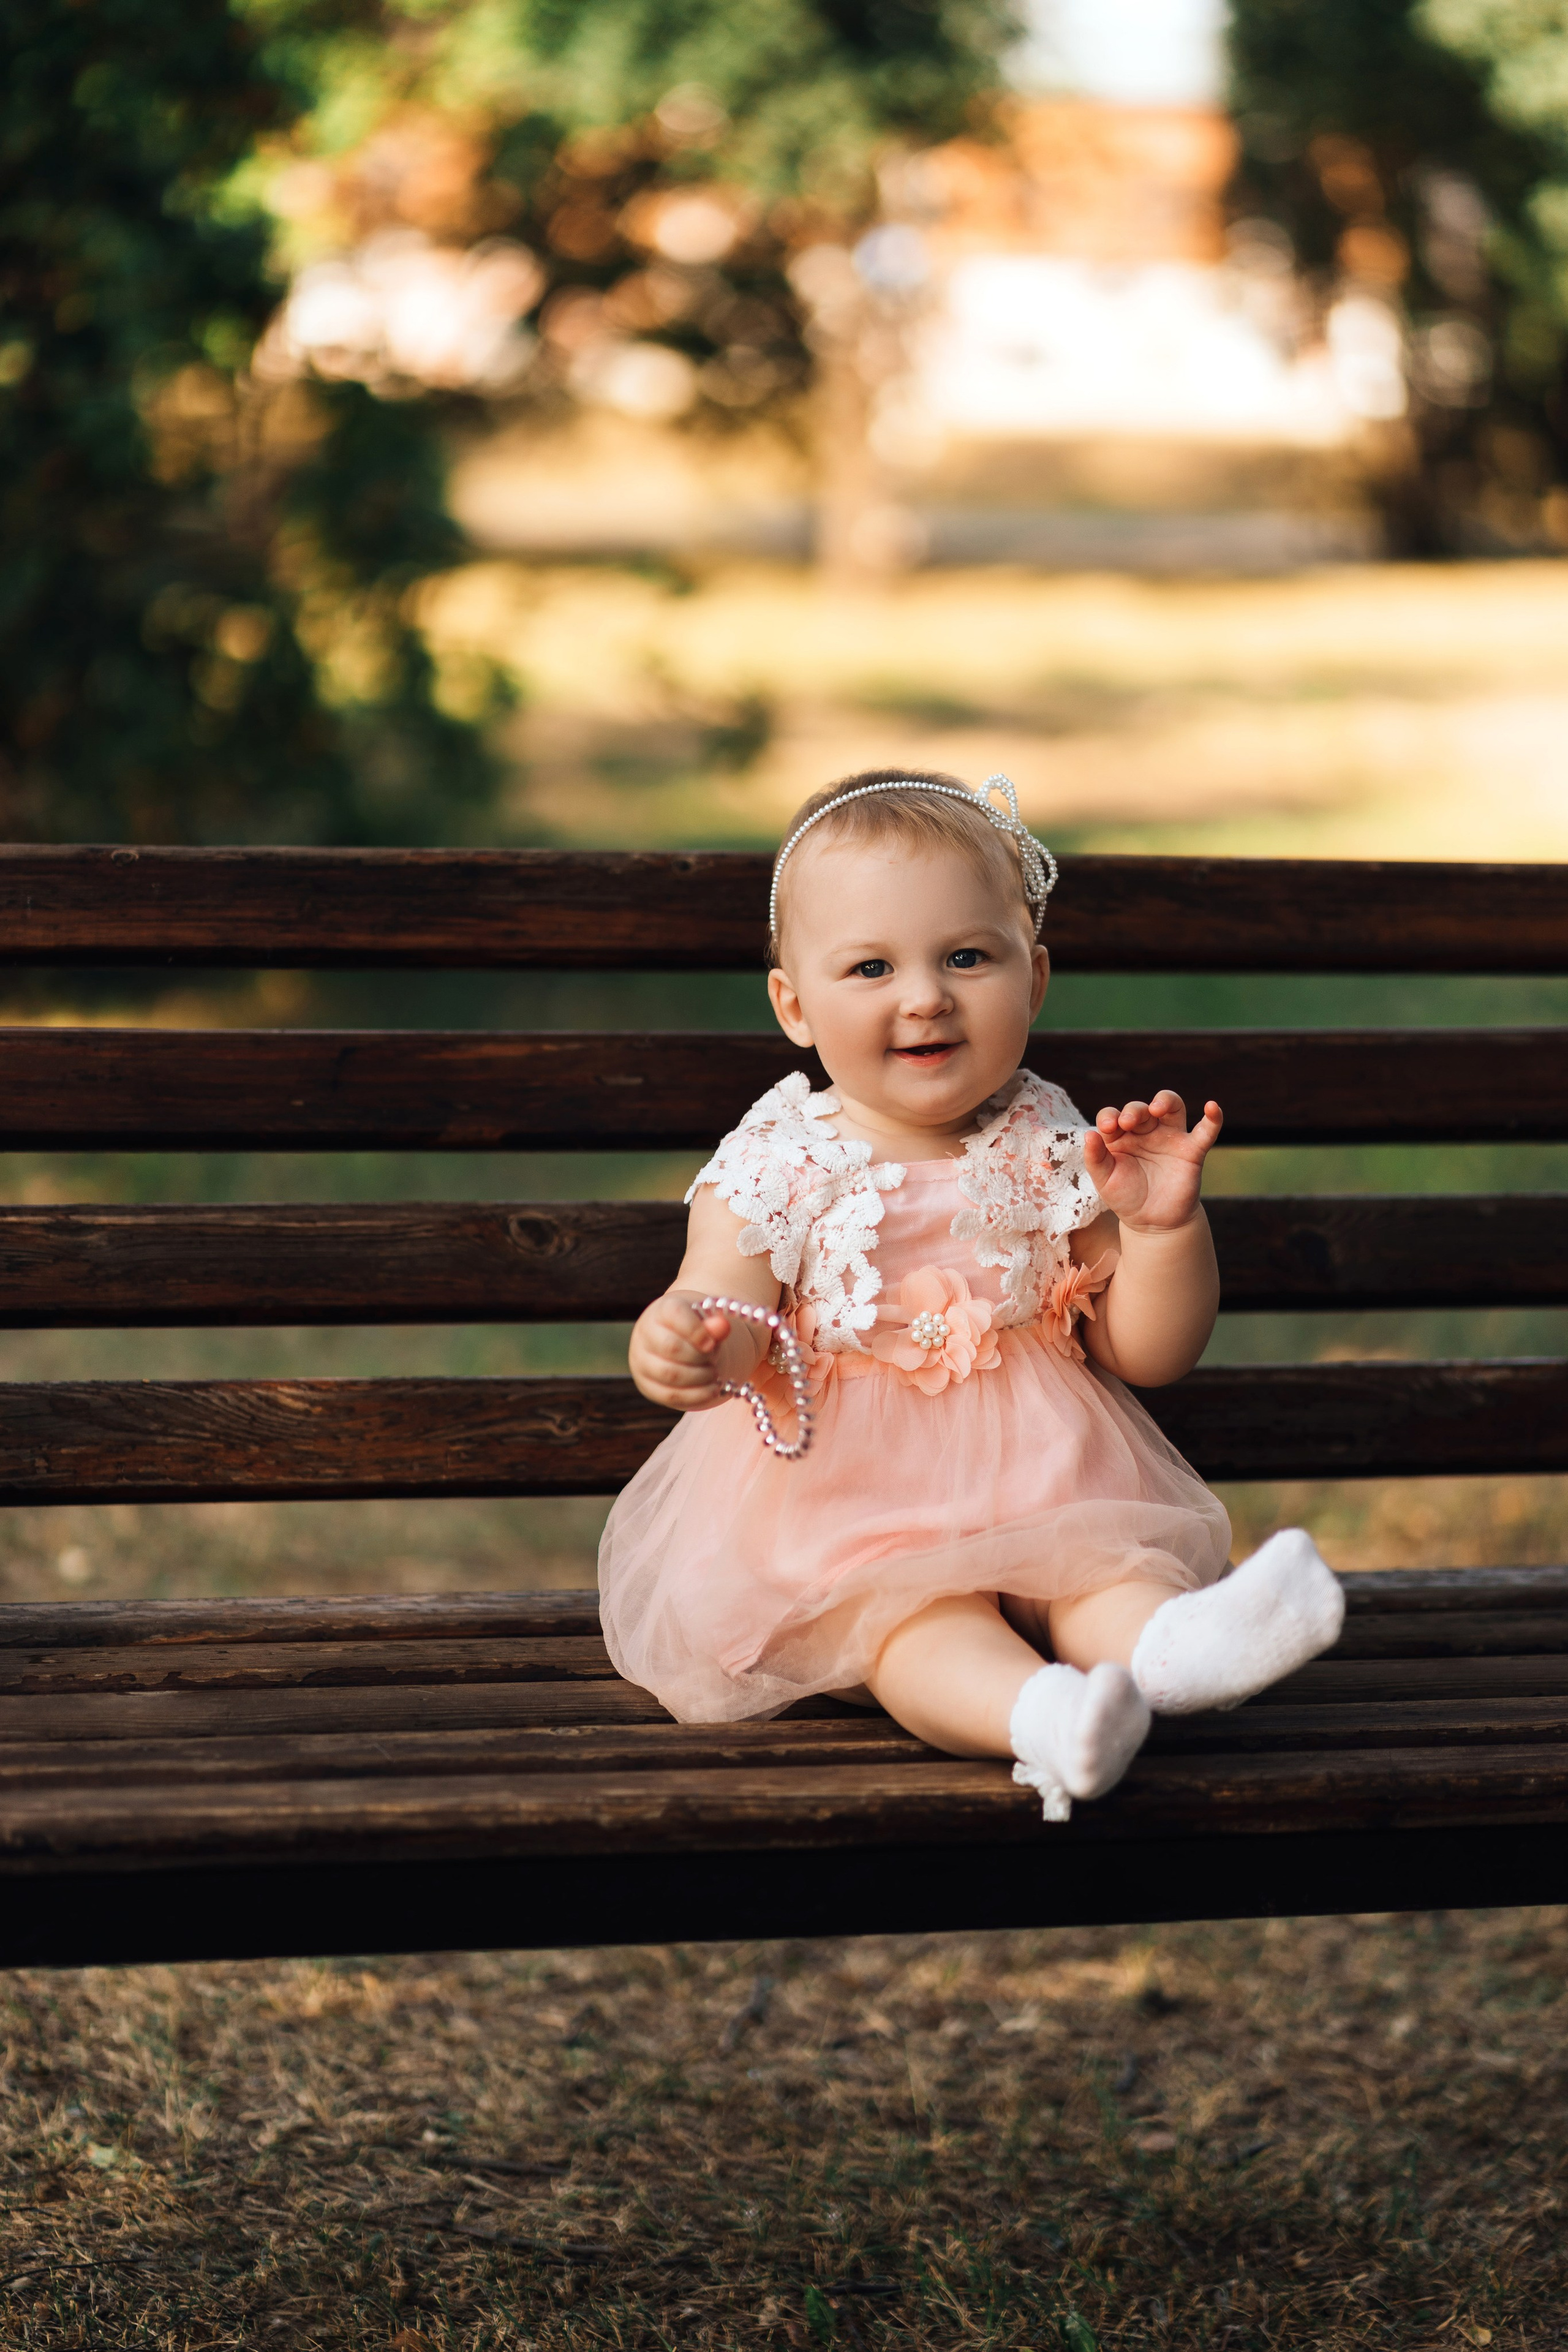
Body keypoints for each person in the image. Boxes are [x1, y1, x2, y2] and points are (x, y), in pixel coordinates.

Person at [599, 768, 1343, 1819]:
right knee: (916, 1624)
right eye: (870, 966)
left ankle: (1173, 1654)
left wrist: (1161, 1227)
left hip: (1052, 1477)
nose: (924, 996)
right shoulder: (775, 1159)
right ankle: (1044, 1719)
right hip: (851, 1504)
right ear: (795, 1006)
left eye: (965, 956)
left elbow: (1146, 1352)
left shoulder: (1050, 1142)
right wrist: (692, 1344)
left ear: (1032, 980)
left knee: (1107, 1577)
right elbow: (725, 1309)